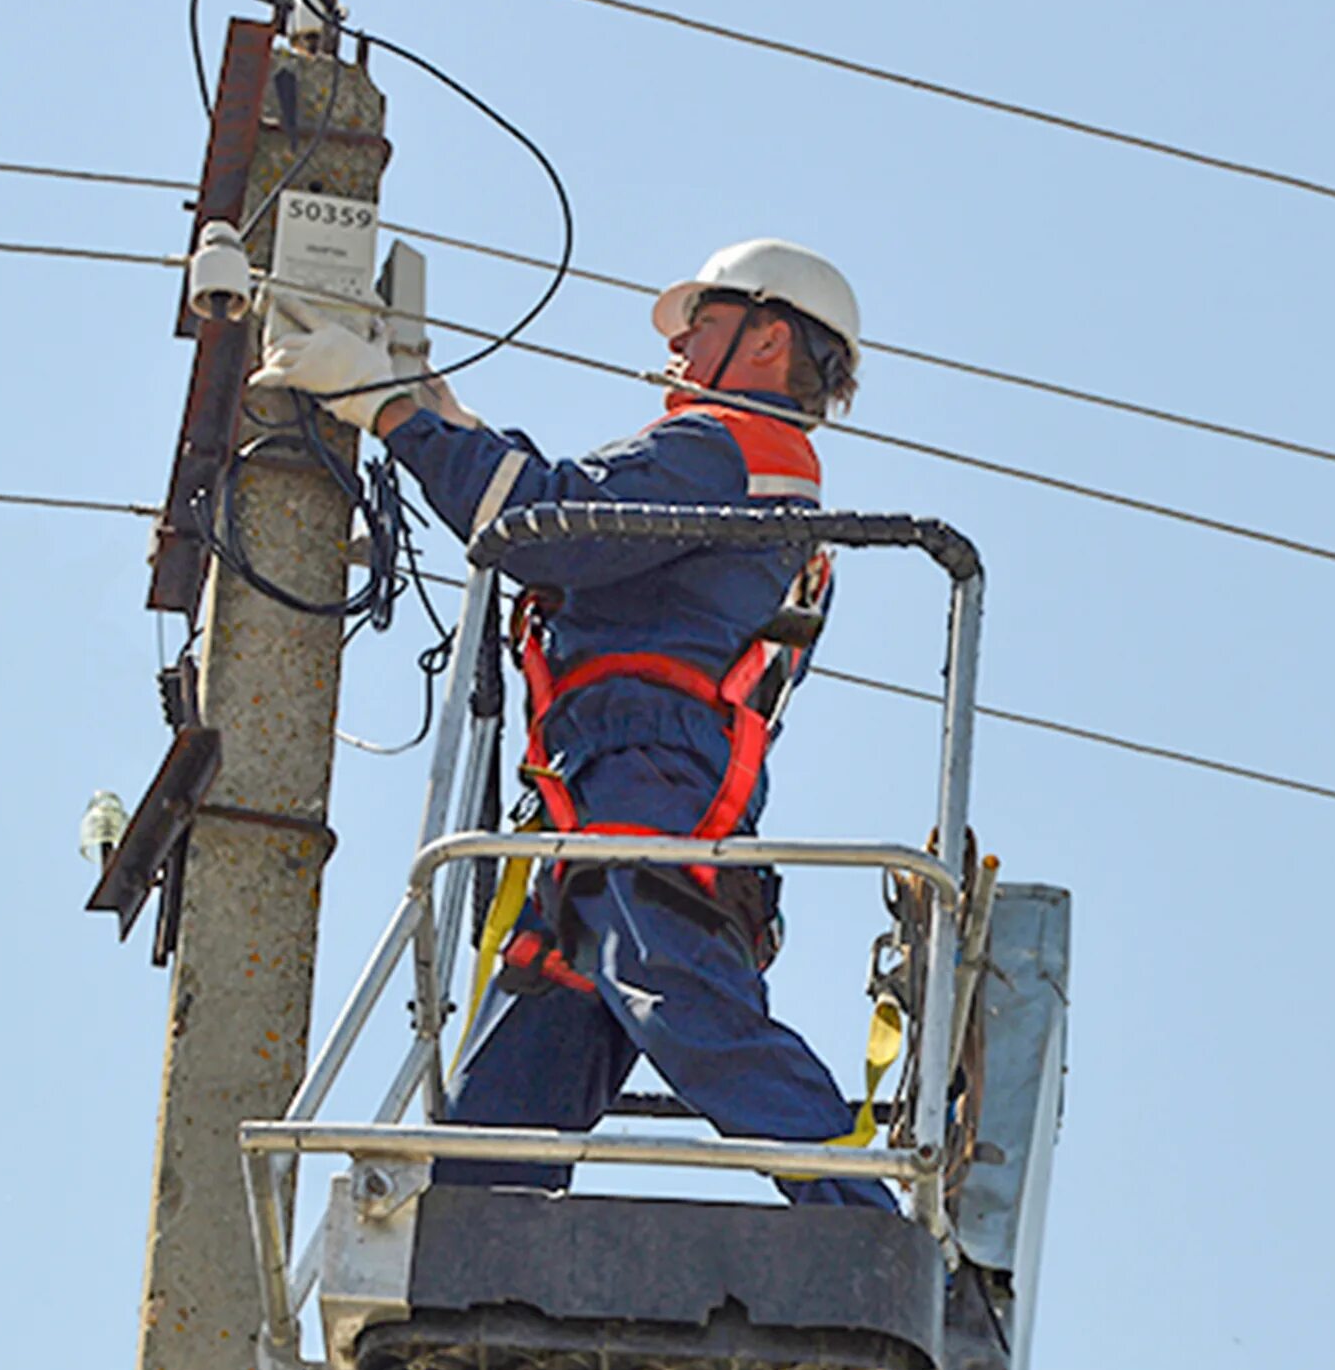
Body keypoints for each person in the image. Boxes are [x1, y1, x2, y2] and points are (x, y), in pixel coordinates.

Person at [254, 238, 893, 1210]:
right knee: (515, 1088)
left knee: (684, 1000)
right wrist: (431, 404)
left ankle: (865, 1219)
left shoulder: (729, 445)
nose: (678, 343)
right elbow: (559, 514)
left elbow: (549, 523)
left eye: (701, 322)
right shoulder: (754, 472)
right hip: (609, 795)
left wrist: (389, 412)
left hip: (644, 787)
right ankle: (462, 1257)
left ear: (768, 339)